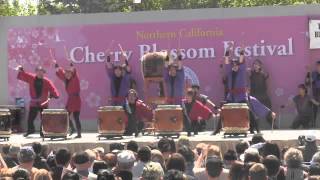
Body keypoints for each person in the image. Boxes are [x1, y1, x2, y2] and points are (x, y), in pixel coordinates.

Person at [17, 65, 59, 137]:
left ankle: (42, 132)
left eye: (41, 71)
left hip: (43, 103)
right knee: (30, 118)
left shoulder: (47, 81)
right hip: (34, 103)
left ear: (43, 72)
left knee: (44, 119)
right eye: (38, 71)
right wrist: (21, 70)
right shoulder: (31, 78)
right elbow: (24, 75)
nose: (40, 73)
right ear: (36, 72)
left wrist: (56, 95)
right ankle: (30, 130)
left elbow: (53, 88)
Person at [55, 62, 82, 138]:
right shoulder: (66, 79)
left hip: (76, 100)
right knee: (66, 115)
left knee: (76, 117)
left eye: (69, 73)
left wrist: (71, 66)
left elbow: (74, 72)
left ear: (72, 73)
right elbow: (60, 74)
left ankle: (79, 133)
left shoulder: (75, 78)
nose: (67, 75)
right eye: (66, 74)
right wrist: (57, 66)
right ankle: (72, 128)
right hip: (70, 100)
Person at [305, 60, 320, 127]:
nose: (318, 67)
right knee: (314, 110)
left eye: (319, 66)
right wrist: (308, 72)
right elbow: (307, 82)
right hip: (315, 95)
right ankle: (313, 125)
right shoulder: (314, 74)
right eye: (317, 66)